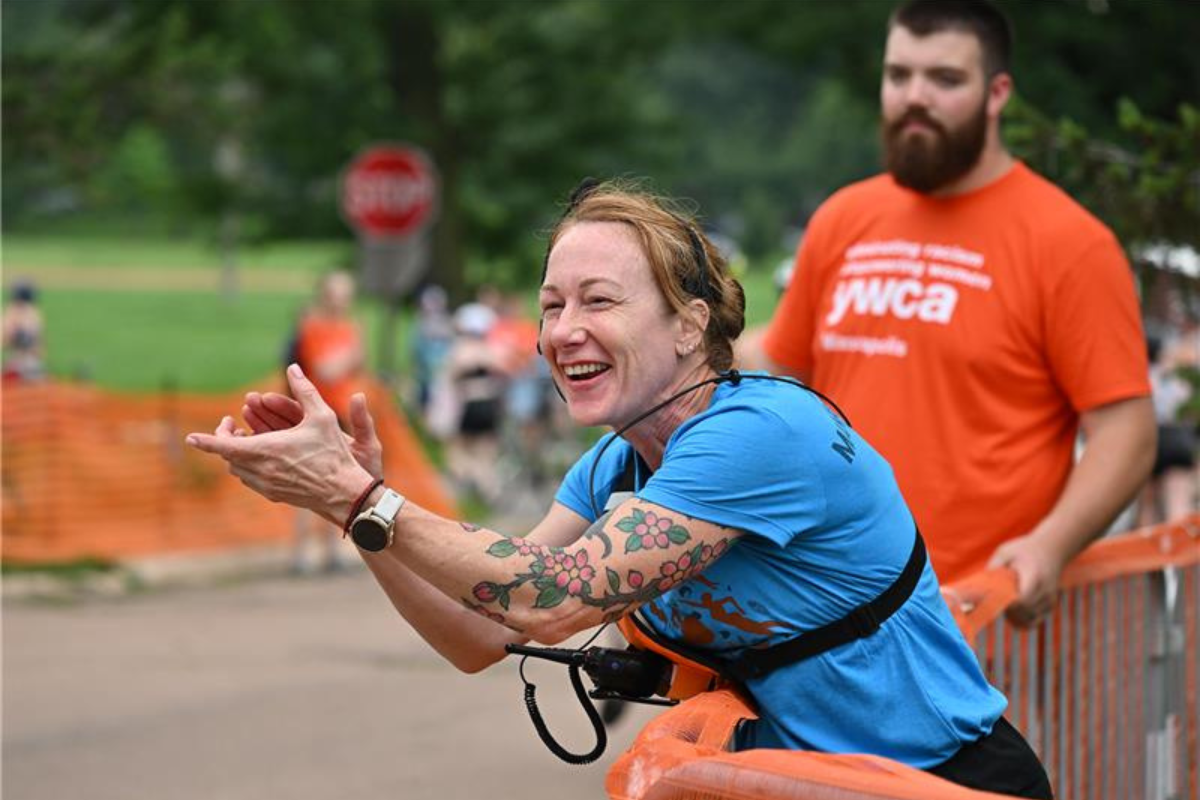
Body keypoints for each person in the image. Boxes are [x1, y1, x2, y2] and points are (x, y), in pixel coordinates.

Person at [187, 181, 1051, 797]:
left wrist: (363, 499)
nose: (565, 331)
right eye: (551, 303)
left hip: (944, 783)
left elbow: (549, 599)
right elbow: (479, 634)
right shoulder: (616, 462)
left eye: (599, 300)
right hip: (809, 783)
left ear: (689, 324)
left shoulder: (757, 436)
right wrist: (351, 505)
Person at [740, 0, 1155, 625]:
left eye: (945, 79)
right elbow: (775, 367)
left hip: (982, 618)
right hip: (830, 606)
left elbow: (1126, 431)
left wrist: (1051, 544)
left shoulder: (1070, 242)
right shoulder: (844, 218)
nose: (915, 97)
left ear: (998, 93)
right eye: (899, 75)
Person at [284, 270, 367, 573]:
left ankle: (333, 549)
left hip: (341, 412)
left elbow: (357, 364)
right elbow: (325, 369)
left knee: (340, 482)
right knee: (308, 480)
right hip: (316, 414)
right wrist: (350, 355)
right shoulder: (314, 327)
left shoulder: (348, 327)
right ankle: (302, 552)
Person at [2, 280, 46, 382]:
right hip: (34, 365)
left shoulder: (11, 312)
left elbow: (5, 339)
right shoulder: (35, 313)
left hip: (17, 364)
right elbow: (40, 347)